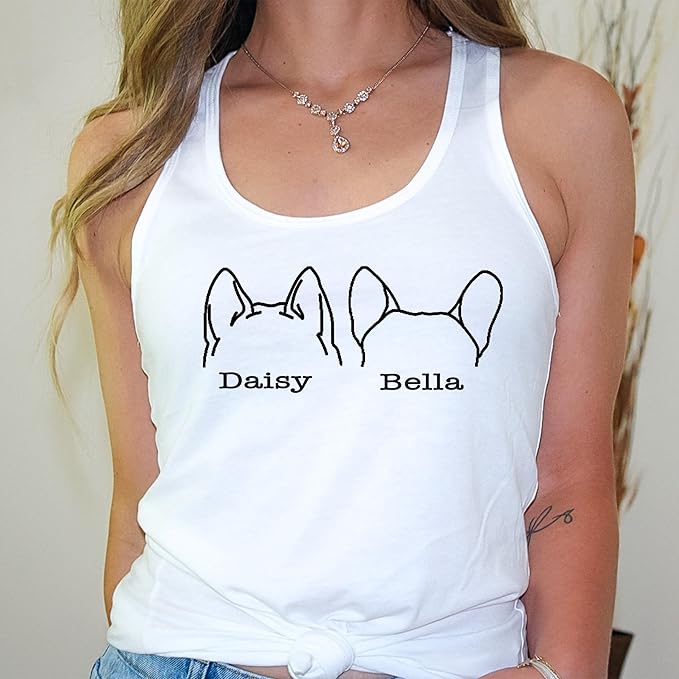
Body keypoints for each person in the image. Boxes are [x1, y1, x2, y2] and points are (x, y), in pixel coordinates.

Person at [48, 1, 635, 678]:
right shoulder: (130, 151)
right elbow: (141, 493)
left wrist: (563, 671)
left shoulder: (559, 118)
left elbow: (568, 476)